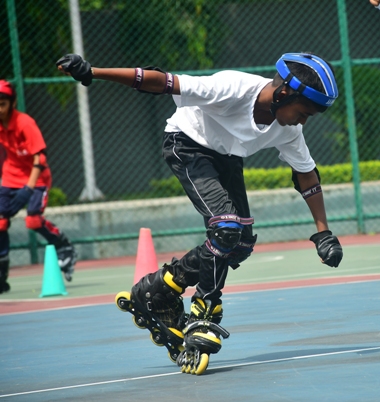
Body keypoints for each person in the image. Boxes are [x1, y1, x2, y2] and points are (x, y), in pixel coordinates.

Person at [57, 52, 343, 374]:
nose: (302, 122)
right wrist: (93, 71)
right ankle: (203, 315)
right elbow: (162, 81)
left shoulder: (288, 129)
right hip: (187, 144)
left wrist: (323, 232)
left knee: (240, 243)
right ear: (284, 93)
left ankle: (157, 291)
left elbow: (306, 174)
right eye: (303, 113)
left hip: (226, 158)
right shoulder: (233, 88)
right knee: (225, 227)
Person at [0, 80, 77, 294]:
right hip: (10, 176)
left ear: (12, 102)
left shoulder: (25, 123)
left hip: (37, 178)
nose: (0, 109)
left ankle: (64, 245)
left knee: (33, 220)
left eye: (2, 103)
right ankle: (1, 274)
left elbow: (41, 156)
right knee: (0, 222)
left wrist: (28, 188)